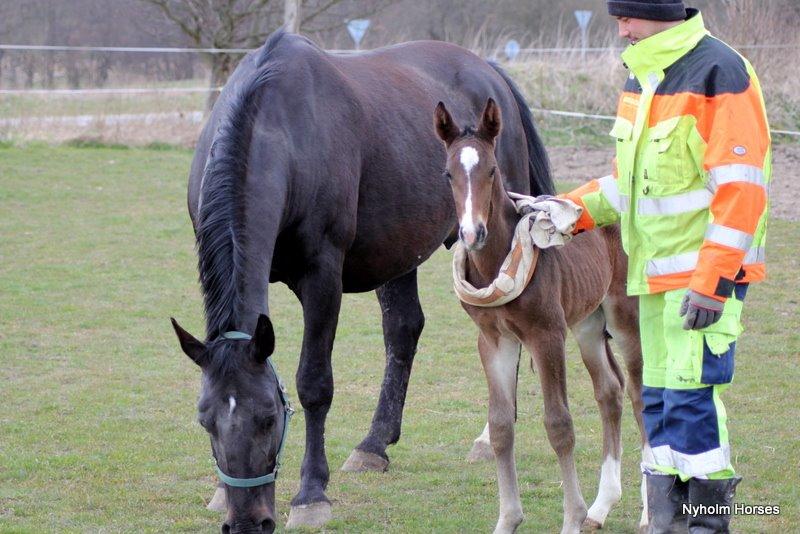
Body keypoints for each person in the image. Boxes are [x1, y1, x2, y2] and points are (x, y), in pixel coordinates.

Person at [561, 1, 771, 532]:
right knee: (656, 404)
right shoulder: (643, 77)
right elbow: (628, 186)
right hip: (652, 283)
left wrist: (712, 282)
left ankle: (703, 525)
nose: (622, 29)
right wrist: (569, 210)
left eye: (628, 17)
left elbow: (741, 187)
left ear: (660, 14)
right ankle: (665, 523)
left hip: (702, 286)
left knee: (692, 407)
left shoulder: (720, 72)